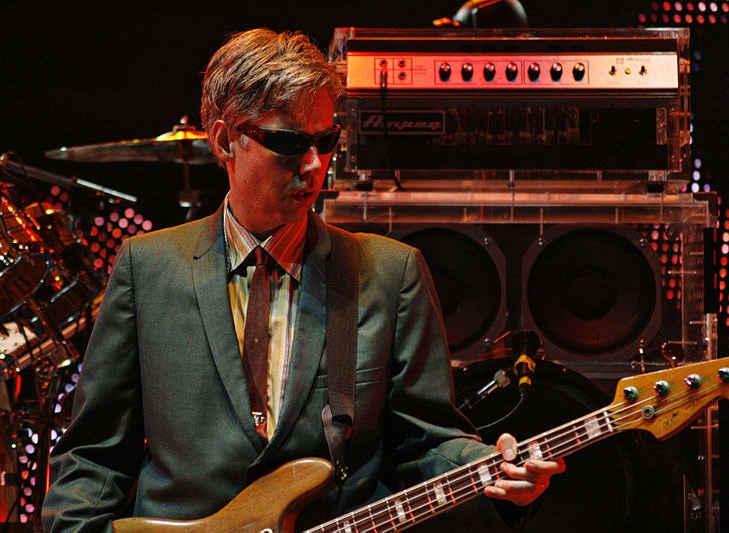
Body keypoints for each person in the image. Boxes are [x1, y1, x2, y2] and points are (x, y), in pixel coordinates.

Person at [41, 28, 564, 532]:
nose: (315, 165)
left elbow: (426, 442)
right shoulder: (147, 267)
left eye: (326, 140)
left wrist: (491, 470)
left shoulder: (391, 272)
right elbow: (93, 456)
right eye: (290, 142)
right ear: (225, 141)